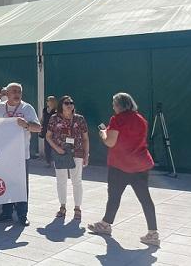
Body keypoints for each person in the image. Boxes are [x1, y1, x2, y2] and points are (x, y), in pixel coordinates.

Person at [88, 93, 159, 246]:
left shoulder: (117, 119)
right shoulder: (141, 119)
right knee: (145, 199)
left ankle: (106, 224)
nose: (113, 107)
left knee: (114, 197)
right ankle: (153, 233)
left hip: (120, 165)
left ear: (119, 105)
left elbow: (110, 142)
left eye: (114, 104)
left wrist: (103, 134)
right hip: (140, 165)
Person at [0, 83, 41, 226]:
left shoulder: (27, 108)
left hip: (21, 155)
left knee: (21, 185)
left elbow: (38, 128)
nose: (17, 93)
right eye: (14, 91)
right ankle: (6, 212)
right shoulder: (0, 107)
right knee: (4, 183)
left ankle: (22, 215)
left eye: (19, 91)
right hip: (4, 154)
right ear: (7, 93)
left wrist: (26, 125)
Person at [46, 95, 89, 221]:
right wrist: (56, 148)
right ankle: (62, 206)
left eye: (71, 102)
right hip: (60, 153)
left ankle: (77, 208)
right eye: (66, 103)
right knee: (61, 181)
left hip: (77, 153)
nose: (69, 104)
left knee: (77, 181)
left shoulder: (79, 119)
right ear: (61, 105)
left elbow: (85, 138)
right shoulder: (54, 118)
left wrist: (86, 154)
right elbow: (48, 136)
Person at [40, 96, 57, 167]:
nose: (47, 102)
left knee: (54, 145)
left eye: (49, 100)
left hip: (53, 130)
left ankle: (55, 161)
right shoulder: (44, 110)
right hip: (45, 129)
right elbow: (43, 118)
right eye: (47, 100)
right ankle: (48, 162)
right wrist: (40, 126)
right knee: (46, 146)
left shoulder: (56, 110)